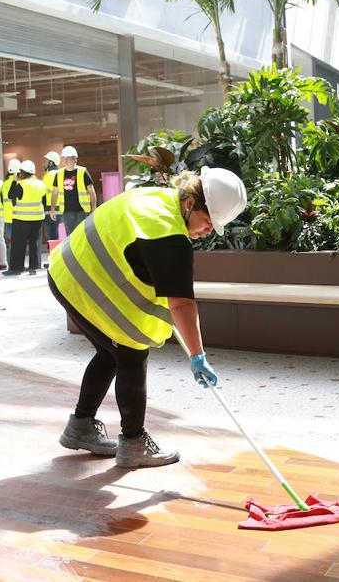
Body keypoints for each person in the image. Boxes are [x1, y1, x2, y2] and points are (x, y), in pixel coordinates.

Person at [50, 167, 247, 468]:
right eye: (208, 221)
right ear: (191, 203)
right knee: (130, 352)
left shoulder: (157, 198)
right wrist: (198, 355)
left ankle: (80, 426)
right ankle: (133, 443)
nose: (208, 231)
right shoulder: (169, 236)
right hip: (83, 284)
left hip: (64, 273)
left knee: (109, 353)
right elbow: (181, 304)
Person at [4, 159, 46, 276]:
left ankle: (16, 268)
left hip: (22, 218)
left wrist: (14, 181)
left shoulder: (21, 184)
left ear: (22, 172)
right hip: (37, 218)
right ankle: (34, 266)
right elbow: (43, 199)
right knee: (34, 243)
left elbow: (11, 195)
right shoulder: (40, 184)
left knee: (18, 244)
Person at [49, 145, 97, 237]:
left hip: (82, 210)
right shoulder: (59, 174)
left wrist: (93, 208)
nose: (65, 161)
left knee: (82, 236)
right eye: (64, 158)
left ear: (75, 159)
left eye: (68, 158)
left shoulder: (82, 171)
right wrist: (52, 209)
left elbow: (91, 191)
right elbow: (55, 192)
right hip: (67, 211)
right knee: (70, 237)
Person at [41, 150, 61, 245]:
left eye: (45, 161)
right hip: (62, 208)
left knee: (52, 238)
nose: (43, 164)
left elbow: (42, 194)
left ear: (51, 162)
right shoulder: (61, 173)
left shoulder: (48, 175)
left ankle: (53, 258)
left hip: (51, 209)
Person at [1, 158, 21, 242]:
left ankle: (10, 255)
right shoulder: (19, 182)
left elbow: (2, 199)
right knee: (18, 239)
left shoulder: (4, 183)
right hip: (17, 215)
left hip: (7, 215)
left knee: (10, 239)